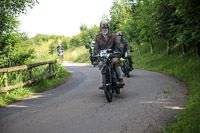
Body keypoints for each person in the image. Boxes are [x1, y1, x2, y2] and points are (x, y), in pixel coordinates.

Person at [94, 20, 125, 89]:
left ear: (108, 28)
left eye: (105, 28)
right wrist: (95, 53)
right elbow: (96, 48)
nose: (104, 29)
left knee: (115, 61)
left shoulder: (113, 35)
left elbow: (118, 43)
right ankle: (104, 81)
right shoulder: (98, 37)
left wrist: (121, 48)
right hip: (103, 57)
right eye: (103, 28)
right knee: (101, 64)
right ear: (101, 29)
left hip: (113, 55)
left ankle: (120, 78)